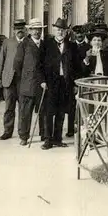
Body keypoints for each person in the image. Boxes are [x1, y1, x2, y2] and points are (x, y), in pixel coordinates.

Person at [39, 18, 79, 150]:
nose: (60, 32)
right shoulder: (46, 44)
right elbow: (39, 65)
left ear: (66, 31)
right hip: (50, 83)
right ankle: (48, 140)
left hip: (65, 83)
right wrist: (42, 81)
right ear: (54, 30)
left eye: (62, 30)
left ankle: (58, 138)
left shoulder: (72, 46)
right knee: (49, 112)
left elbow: (75, 66)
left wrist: (74, 84)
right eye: (58, 30)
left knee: (61, 111)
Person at [13, 18, 47, 146]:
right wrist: (26, 78)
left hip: (42, 84)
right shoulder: (24, 44)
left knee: (43, 111)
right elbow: (17, 65)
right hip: (27, 84)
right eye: (34, 29)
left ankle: (44, 134)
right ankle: (24, 136)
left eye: (39, 29)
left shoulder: (44, 44)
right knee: (25, 112)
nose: (37, 31)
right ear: (30, 30)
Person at [0, 19, 26, 140]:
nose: (19, 30)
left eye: (22, 27)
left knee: (23, 108)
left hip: (23, 81)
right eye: (17, 28)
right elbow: (1, 60)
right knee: (9, 107)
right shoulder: (7, 42)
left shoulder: (28, 42)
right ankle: (7, 131)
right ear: (14, 30)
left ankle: (22, 133)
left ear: (25, 29)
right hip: (9, 80)